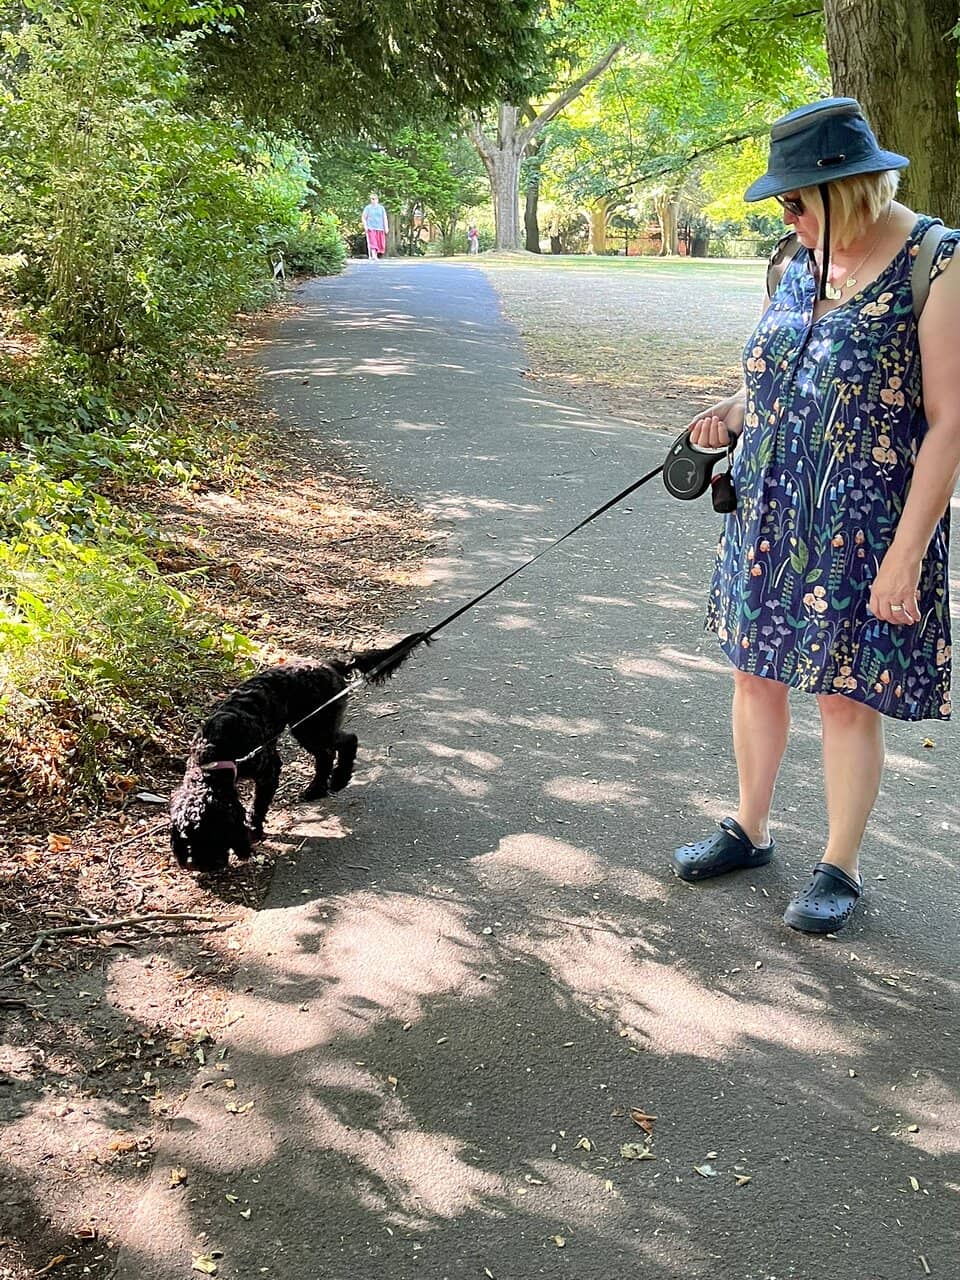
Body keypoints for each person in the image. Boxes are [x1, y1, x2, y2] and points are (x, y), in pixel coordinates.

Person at [671, 98, 960, 934]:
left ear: (845, 189)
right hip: (768, 514)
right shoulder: (797, 260)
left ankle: (840, 865)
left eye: (795, 199)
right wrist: (730, 413)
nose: (786, 214)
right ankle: (749, 829)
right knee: (753, 673)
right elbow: (781, 375)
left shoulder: (935, 263)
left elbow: (948, 423)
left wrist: (906, 555)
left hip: (864, 527)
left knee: (844, 697)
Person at [361, 194, 388, 260]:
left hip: (380, 227)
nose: (373, 200)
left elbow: (384, 218)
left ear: (377, 200)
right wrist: (365, 226)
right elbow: (363, 217)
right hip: (371, 227)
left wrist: (386, 227)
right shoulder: (368, 208)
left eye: (375, 199)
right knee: (373, 242)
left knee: (379, 243)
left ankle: (375, 254)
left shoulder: (381, 208)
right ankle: (374, 255)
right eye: (372, 199)